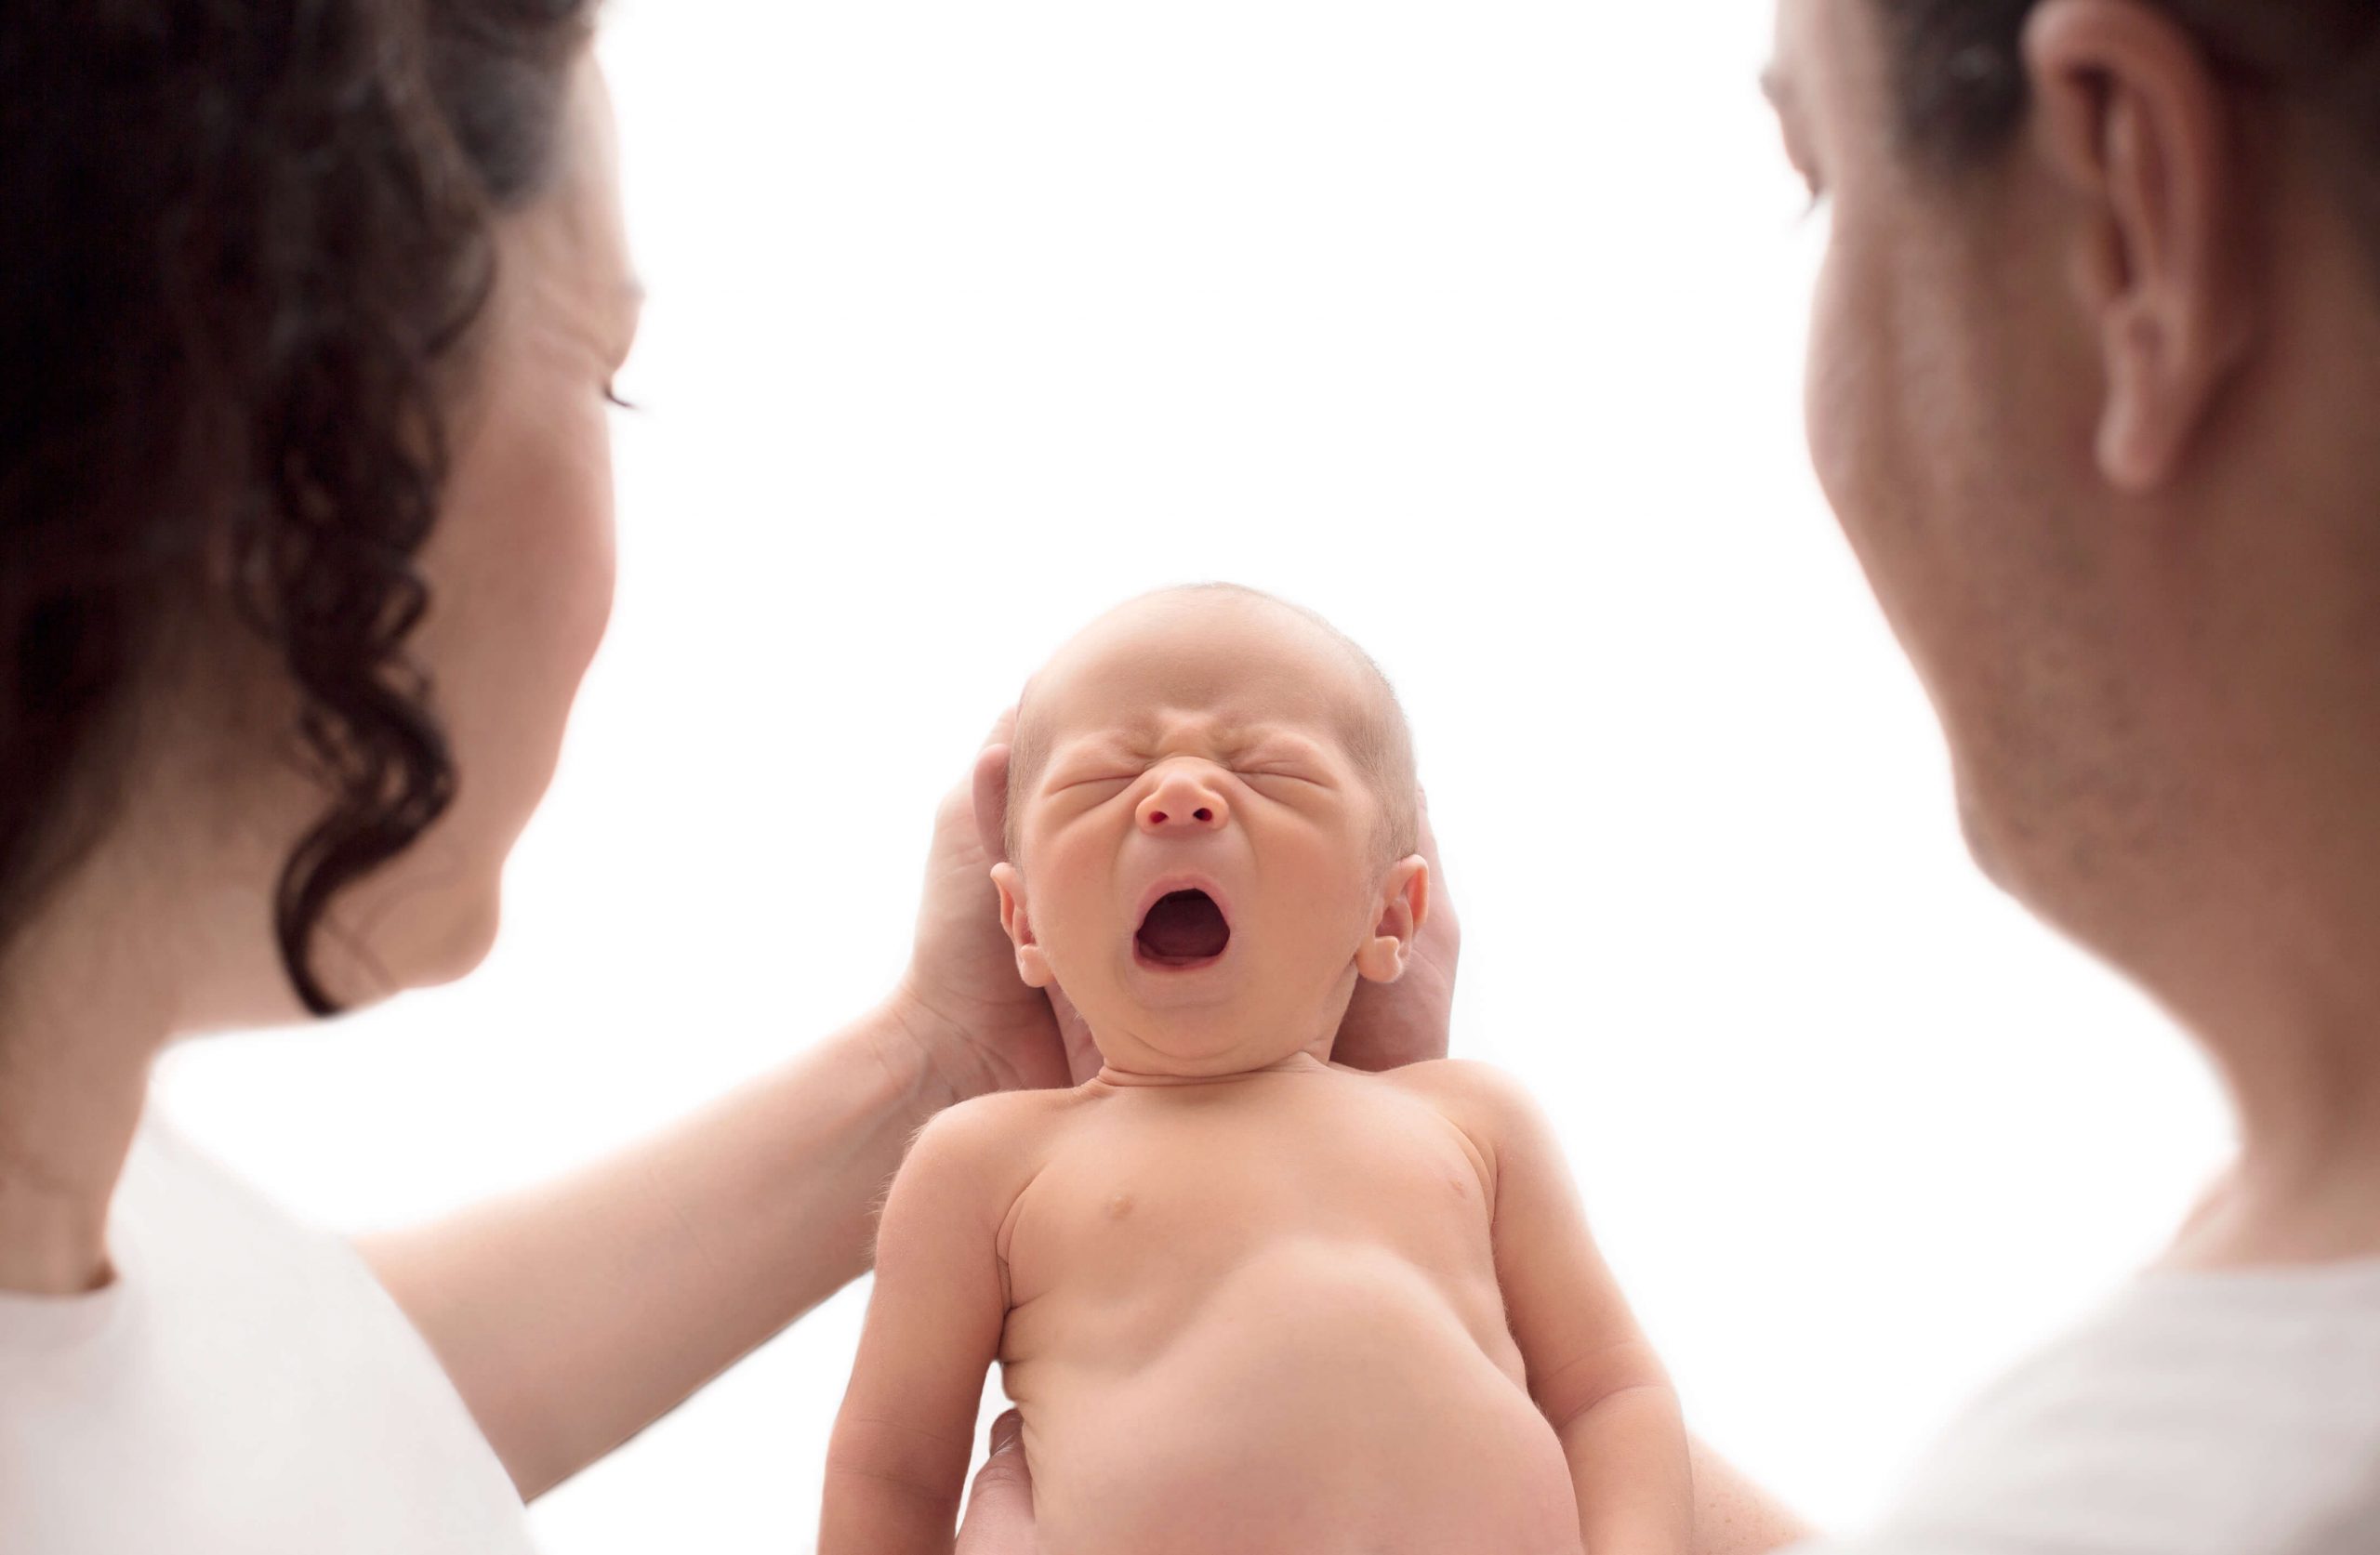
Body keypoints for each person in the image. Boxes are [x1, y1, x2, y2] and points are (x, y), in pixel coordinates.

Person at [0, 7, 1473, 1552]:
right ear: (304, 425)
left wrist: (944, 1070)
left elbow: (240, 1413)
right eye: (605, 373)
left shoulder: (87, 1237)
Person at [959, 0, 2380, 1548]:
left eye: (1819, 182)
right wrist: (1413, 1323)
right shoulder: (2251, 1406)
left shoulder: (2209, 1472)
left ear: (2127, 209)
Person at [821, 584, 1690, 1555]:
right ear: (1023, 923)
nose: (1178, 796)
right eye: (1103, 777)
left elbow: (1609, 1390)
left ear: (1392, 911)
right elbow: (890, 1472)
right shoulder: (987, 1162)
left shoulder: (1470, 1121)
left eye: (1272, 772)